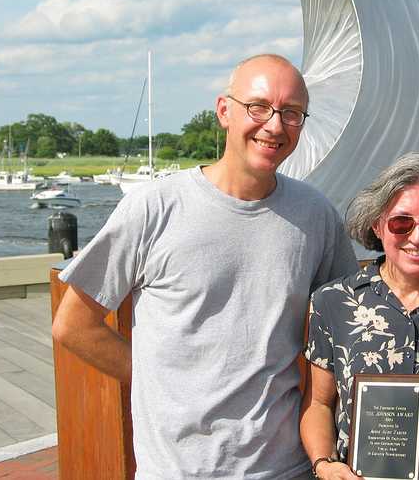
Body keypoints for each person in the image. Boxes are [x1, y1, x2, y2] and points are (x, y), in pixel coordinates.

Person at [51, 54, 359, 480]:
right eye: (258, 107)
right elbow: (73, 325)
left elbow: (351, 316)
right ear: (224, 111)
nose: (274, 125)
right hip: (176, 470)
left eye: (291, 113)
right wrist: (158, 386)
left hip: (285, 469)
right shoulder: (153, 207)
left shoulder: (316, 215)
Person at [300, 153, 419, 480]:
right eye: (402, 222)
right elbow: (318, 403)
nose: (418, 237)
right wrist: (324, 464)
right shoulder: (333, 302)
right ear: (377, 224)